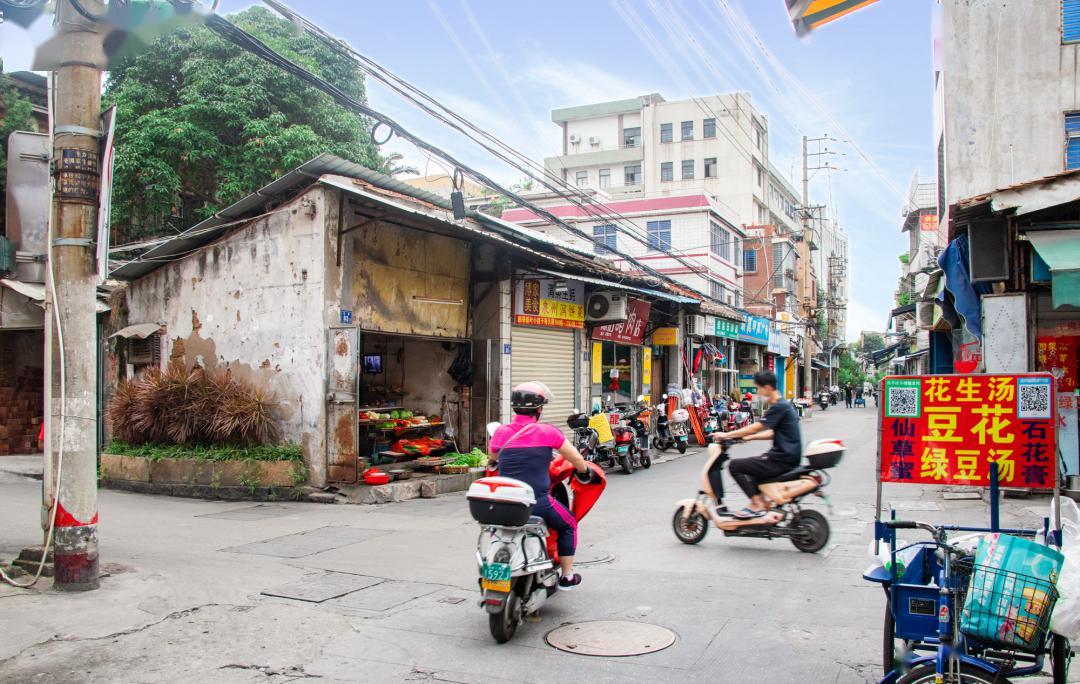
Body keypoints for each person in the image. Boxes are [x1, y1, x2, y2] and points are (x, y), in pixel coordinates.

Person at [488, 381, 591, 591]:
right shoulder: (548, 432)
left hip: (503, 503)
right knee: (568, 524)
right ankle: (567, 576)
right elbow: (576, 458)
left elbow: (492, 458)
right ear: (539, 408)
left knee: (496, 530)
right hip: (536, 503)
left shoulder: (501, 432)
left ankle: (494, 576)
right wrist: (584, 471)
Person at [710, 371, 803, 519]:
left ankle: (756, 503)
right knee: (753, 470)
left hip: (781, 458)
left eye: (758, 388)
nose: (757, 392)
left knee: (735, 466)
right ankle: (762, 503)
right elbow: (773, 433)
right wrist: (750, 438)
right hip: (787, 457)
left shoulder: (779, 406)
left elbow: (757, 426)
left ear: (767, 388)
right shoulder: (784, 404)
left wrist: (726, 434)